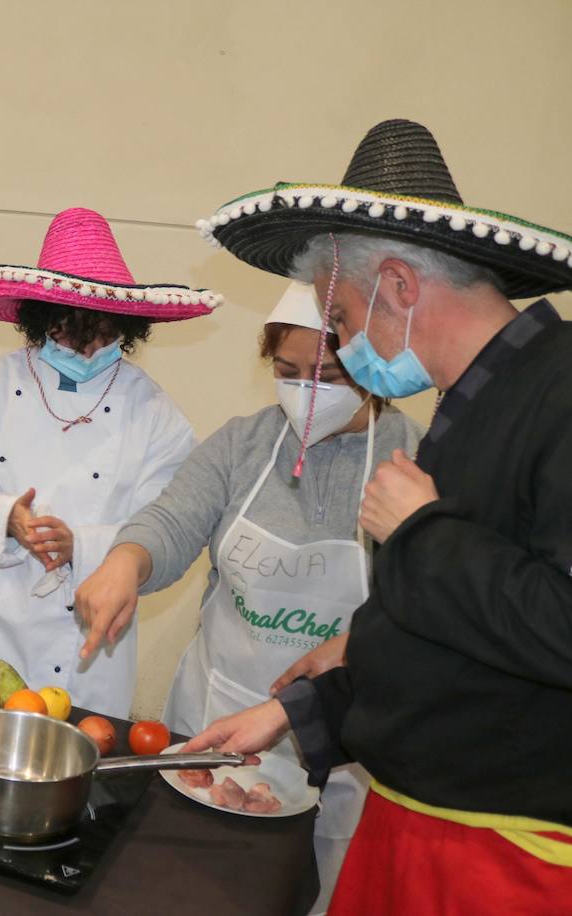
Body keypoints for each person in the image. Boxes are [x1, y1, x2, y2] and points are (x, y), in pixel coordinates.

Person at [184, 119, 572, 912]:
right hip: (419, 819)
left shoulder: (559, 396)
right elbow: (444, 638)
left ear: (398, 285)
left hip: (506, 852)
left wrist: (423, 533)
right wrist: (294, 712)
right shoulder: (469, 414)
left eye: (346, 319)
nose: (347, 346)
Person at [75, 280, 422, 911]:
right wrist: (127, 560)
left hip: (344, 750)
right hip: (213, 726)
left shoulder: (417, 459)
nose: (305, 391)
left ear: (371, 366)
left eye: (327, 374)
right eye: (288, 372)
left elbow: (429, 604)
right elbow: (173, 519)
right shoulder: (244, 444)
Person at [0, 208, 220, 717]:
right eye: (68, 331)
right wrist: (4, 516)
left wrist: (82, 543)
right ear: (40, 321)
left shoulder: (154, 412)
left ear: (126, 327)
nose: (85, 349)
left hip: (87, 634)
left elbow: (169, 522)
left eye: (101, 333)